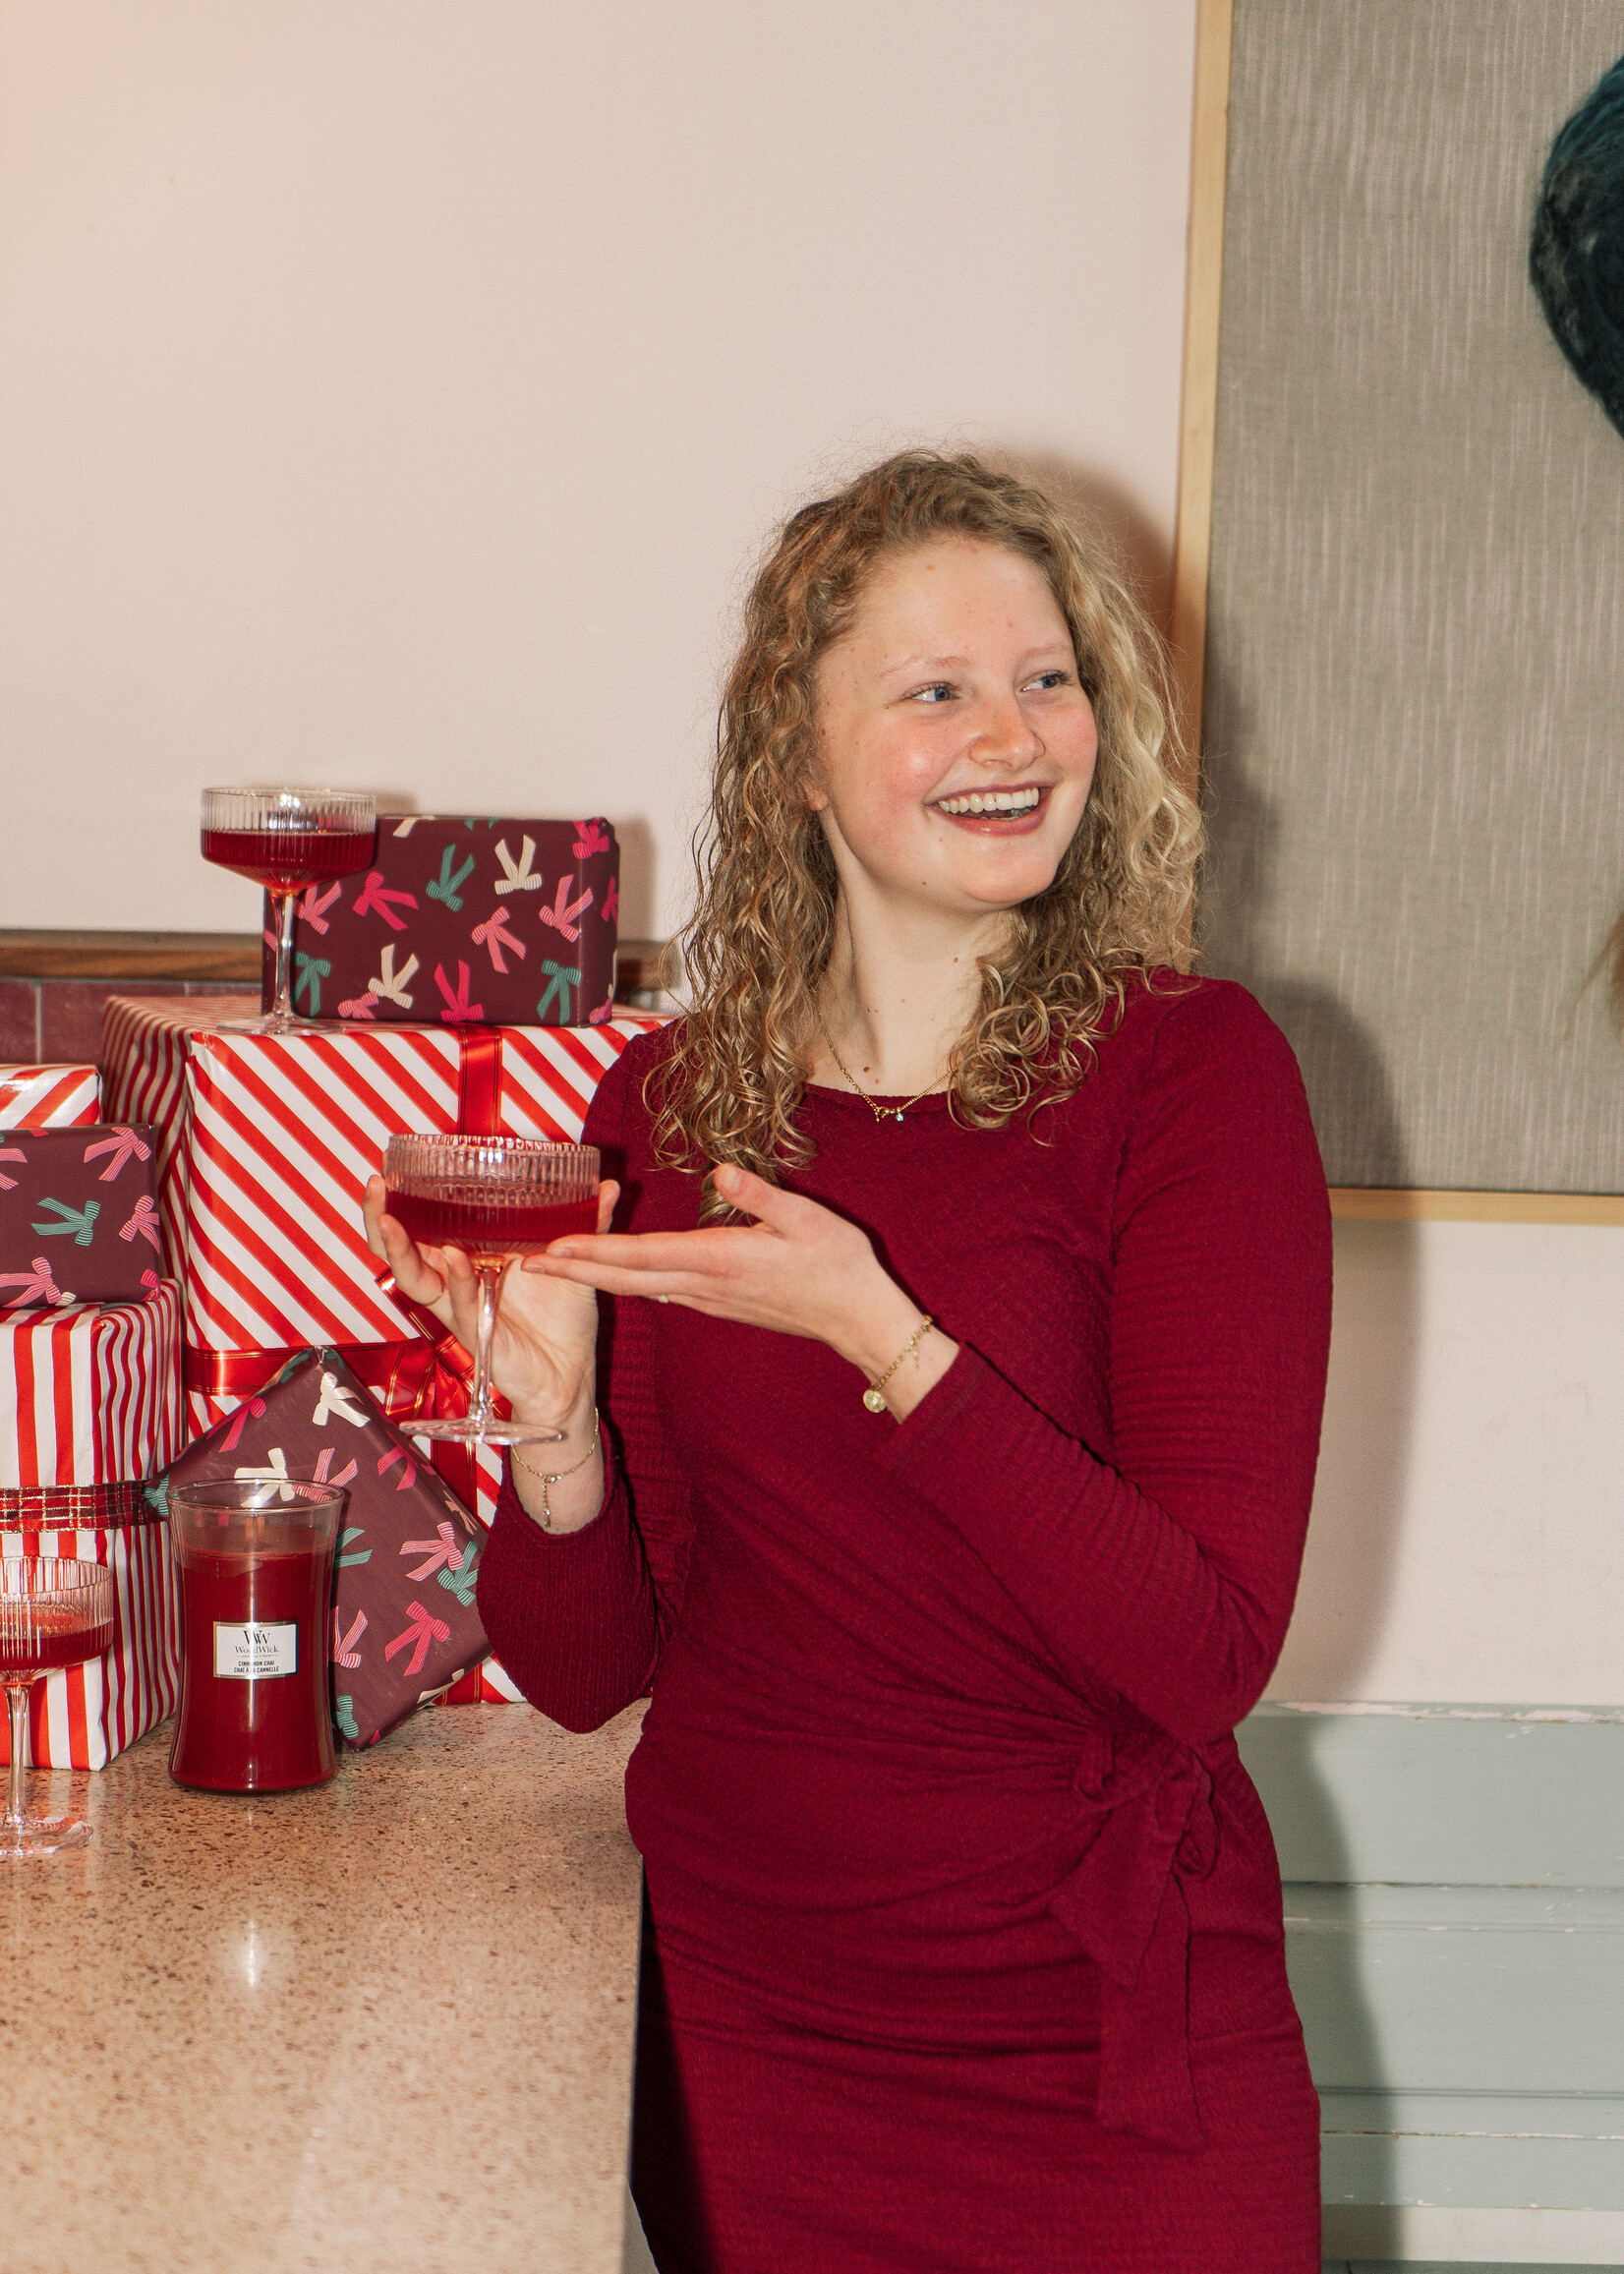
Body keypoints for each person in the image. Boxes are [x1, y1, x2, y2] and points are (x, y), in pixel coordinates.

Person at [364, 451, 1333, 2273]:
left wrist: (886, 1337)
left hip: (1105, 2051)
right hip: (754, 2041)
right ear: (797, 762)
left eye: (1049, 677)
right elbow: (588, 1672)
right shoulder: (673, 1104)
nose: (1014, 734)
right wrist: (555, 1438)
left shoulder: (1195, 1078)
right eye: (936, 688)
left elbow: (1205, 1652)